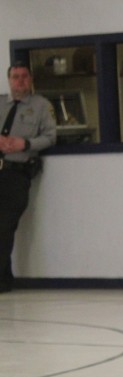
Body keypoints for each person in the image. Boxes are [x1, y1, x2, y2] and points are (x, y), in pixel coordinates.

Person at [0, 61, 56, 293]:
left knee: (4, 226)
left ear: (30, 80)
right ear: (9, 80)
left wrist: (26, 144)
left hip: (16, 173)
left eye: (24, 76)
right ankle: (4, 277)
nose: (19, 81)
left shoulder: (41, 105)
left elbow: (51, 137)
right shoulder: (1, 103)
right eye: (15, 77)